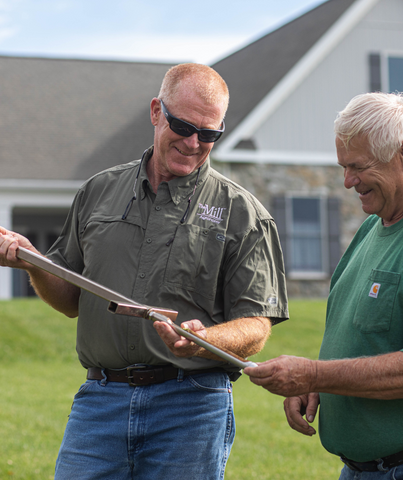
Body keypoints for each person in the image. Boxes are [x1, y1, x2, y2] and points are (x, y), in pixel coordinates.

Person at [0, 63, 289, 480]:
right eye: (183, 126)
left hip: (191, 406)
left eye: (209, 134)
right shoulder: (98, 192)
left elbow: (257, 325)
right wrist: (32, 261)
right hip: (101, 401)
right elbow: (69, 301)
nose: (193, 143)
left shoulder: (242, 213)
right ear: (156, 111)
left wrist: (204, 340)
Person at [245, 92, 403, 479]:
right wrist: (322, 384)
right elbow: (365, 339)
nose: (347, 181)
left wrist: (314, 375)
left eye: (358, 167)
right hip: (369, 469)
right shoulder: (375, 224)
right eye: (343, 166)